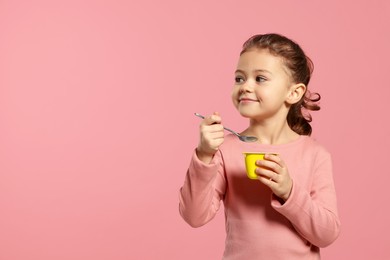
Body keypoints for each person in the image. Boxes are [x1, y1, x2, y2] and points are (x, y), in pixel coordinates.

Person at [179, 33, 340, 259]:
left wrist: (288, 192)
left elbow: (327, 233)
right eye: (239, 78)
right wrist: (204, 154)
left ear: (294, 92)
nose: (245, 86)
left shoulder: (314, 154)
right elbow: (194, 216)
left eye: (260, 79)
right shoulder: (226, 151)